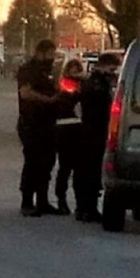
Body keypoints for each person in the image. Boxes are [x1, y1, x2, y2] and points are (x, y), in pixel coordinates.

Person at [75, 52, 122, 222]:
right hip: (93, 132)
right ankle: (88, 208)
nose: (113, 72)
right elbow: (100, 108)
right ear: (104, 65)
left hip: (90, 131)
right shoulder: (96, 84)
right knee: (91, 172)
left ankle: (84, 208)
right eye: (112, 68)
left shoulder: (91, 81)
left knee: (87, 172)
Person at [17, 39, 60, 217]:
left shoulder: (48, 72)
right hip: (31, 123)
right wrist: (47, 99)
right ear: (41, 52)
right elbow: (25, 93)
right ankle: (27, 202)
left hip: (48, 123)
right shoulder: (28, 70)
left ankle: (43, 201)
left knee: (47, 163)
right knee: (33, 163)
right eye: (50, 54)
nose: (52, 58)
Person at [53, 58, 85, 215]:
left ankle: (79, 203)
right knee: (66, 167)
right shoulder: (65, 85)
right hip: (65, 128)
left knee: (79, 169)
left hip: (79, 129)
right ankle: (61, 200)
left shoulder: (83, 86)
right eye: (73, 71)